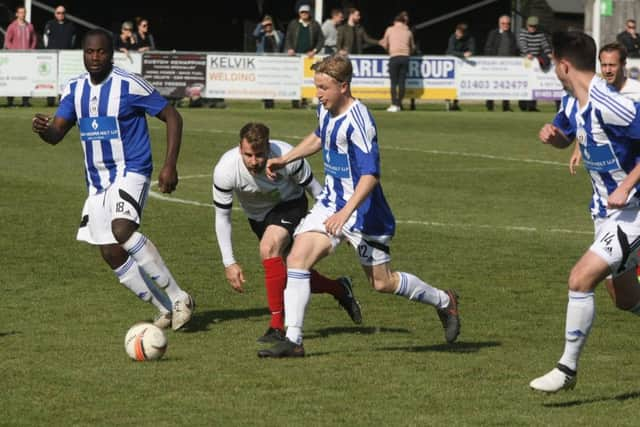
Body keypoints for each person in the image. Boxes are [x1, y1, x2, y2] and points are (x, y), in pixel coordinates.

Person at [257, 55, 460, 358]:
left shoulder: (360, 121)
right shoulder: (325, 109)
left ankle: (444, 301)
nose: (319, 94)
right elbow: (319, 136)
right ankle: (294, 340)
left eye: (324, 88)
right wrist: (287, 158)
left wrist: (346, 211)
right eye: (317, 87)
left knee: (382, 282)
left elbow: (371, 175)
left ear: (343, 86)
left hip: (364, 212)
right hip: (331, 203)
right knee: (297, 258)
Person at [31, 29, 195, 331]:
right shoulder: (74, 89)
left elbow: (173, 116)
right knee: (110, 251)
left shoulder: (128, 84)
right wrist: (44, 130)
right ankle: (163, 309)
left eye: (102, 52)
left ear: (111, 53)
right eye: (90, 52)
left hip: (131, 169)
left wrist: (169, 165)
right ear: (83, 54)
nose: (95, 58)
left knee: (122, 229)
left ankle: (179, 297)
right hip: (97, 181)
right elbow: (57, 134)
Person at [530, 31, 640, 393]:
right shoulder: (571, 101)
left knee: (580, 278)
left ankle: (567, 369)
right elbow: (566, 134)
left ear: (563, 65)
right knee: (624, 299)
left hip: (634, 209)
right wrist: (555, 138)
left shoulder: (610, 102)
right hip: (606, 213)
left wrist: (626, 185)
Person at [213, 122, 363, 342]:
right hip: (258, 219)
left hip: (291, 205)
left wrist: (341, 222)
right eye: (248, 155)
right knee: (293, 270)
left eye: (259, 155)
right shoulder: (225, 169)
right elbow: (222, 217)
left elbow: (317, 191)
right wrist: (229, 262)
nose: (253, 161)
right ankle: (339, 289)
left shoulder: (287, 156)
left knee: (268, 247)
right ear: (239, 148)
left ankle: (277, 327)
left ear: (269, 148)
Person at [284, 3, 324, 109]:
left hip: (308, 57)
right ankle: (295, 101)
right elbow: (288, 38)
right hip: (295, 57)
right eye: (302, 12)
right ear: (299, 13)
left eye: (306, 12)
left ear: (309, 13)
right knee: (294, 79)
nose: (304, 14)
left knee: (307, 80)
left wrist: (314, 51)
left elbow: (321, 40)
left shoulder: (314, 24)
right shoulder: (293, 24)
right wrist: (289, 49)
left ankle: (304, 101)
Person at [380, 11, 415, 113]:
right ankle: (399, 104)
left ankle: (394, 104)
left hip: (394, 57)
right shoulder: (408, 32)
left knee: (393, 83)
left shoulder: (390, 30)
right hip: (405, 58)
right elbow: (412, 47)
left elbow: (384, 43)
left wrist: (390, 49)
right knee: (402, 82)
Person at [43, 5, 77, 107]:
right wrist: (49, 51)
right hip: (52, 56)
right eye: (58, 13)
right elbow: (45, 39)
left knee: (65, 79)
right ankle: (50, 100)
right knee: (51, 78)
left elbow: (73, 40)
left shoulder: (71, 26)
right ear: (55, 14)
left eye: (62, 13)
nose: (60, 15)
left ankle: (63, 99)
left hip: (66, 57)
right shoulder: (50, 24)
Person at [4, 5, 37, 107]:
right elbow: (7, 41)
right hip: (15, 58)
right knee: (13, 80)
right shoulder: (12, 26)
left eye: (24, 12)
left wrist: (31, 49)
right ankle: (10, 101)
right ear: (17, 14)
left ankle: (25, 101)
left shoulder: (30, 26)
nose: (23, 14)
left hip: (27, 58)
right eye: (21, 12)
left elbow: (34, 39)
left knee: (27, 80)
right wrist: (13, 51)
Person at [484, 14, 518, 112]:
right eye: (503, 23)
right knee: (491, 86)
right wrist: (491, 60)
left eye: (508, 23)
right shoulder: (493, 34)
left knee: (506, 86)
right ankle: (490, 106)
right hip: (494, 65)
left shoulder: (512, 35)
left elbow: (515, 50)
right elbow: (488, 48)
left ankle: (506, 106)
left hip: (508, 66)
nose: (505, 25)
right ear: (499, 24)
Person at [518, 16, 551, 112]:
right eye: (530, 26)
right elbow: (522, 44)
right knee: (525, 84)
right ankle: (523, 105)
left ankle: (532, 106)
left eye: (534, 26)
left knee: (534, 84)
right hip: (525, 62)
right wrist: (527, 53)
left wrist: (549, 53)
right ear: (527, 25)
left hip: (535, 62)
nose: (532, 28)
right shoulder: (523, 33)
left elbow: (545, 45)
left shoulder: (540, 34)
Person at [253, 15, 284, 109]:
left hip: (274, 63)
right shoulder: (260, 35)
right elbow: (254, 34)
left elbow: (282, 43)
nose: (268, 27)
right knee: (264, 83)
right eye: (266, 25)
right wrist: (261, 24)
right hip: (262, 62)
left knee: (273, 83)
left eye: (270, 24)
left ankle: (271, 101)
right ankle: (266, 101)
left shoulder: (278, 34)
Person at [446, 23, 475, 111]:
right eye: (457, 32)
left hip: (462, 66)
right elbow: (450, 51)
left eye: (460, 33)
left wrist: (469, 53)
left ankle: (455, 104)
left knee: (458, 84)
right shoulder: (452, 37)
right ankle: (448, 103)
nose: (457, 34)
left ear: (465, 33)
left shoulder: (470, 38)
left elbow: (472, 50)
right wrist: (462, 54)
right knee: (449, 84)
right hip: (449, 64)